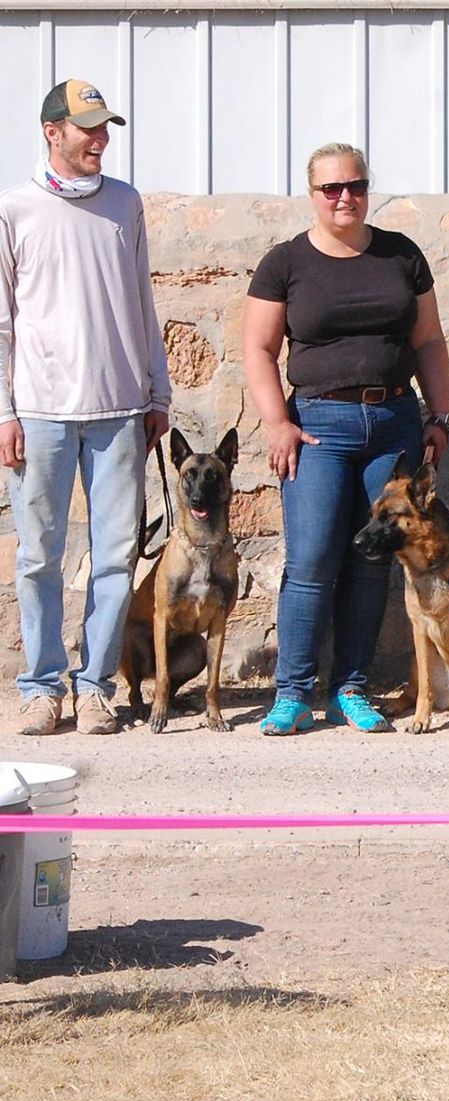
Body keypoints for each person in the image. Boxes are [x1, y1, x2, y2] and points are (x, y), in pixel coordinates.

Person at [243, 143, 449, 737]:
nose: (344, 198)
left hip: (392, 423)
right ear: (312, 194)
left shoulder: (400, 254)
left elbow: (429, 341)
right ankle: (292, 692)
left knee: (370, 563)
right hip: (317, 428)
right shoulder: (285, 263)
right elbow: (258, 349)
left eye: (355, 186)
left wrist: (440, 415)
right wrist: (276, 422)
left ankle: (351, 688)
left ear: (367, 188)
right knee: (311, 561)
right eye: (331, 188)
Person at [1, 80, 170, 736]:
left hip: (121, 407)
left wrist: (157, 392)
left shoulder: (125, 204)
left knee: (115, 554)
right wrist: (5, 413)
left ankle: (96, 685)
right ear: (52, 132)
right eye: (87, 129)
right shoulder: (15, 208)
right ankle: (42, 688)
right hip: (39, 410)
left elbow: (140, 300)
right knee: (39, 555)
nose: (100, 139)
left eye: (105, 129)